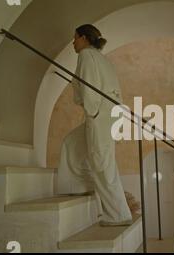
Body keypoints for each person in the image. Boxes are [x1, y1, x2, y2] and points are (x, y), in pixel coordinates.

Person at [57, 24, 133, 226]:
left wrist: (93, 111)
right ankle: (81, 185)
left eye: (75, 38)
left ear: (84, 38)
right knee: (71, 144)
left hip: (100, 115)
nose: (73, 42)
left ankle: (118, 215)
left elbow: (90, 86)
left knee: (102, 164)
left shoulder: (86, 55)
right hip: (109, 113)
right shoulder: (101, 58)